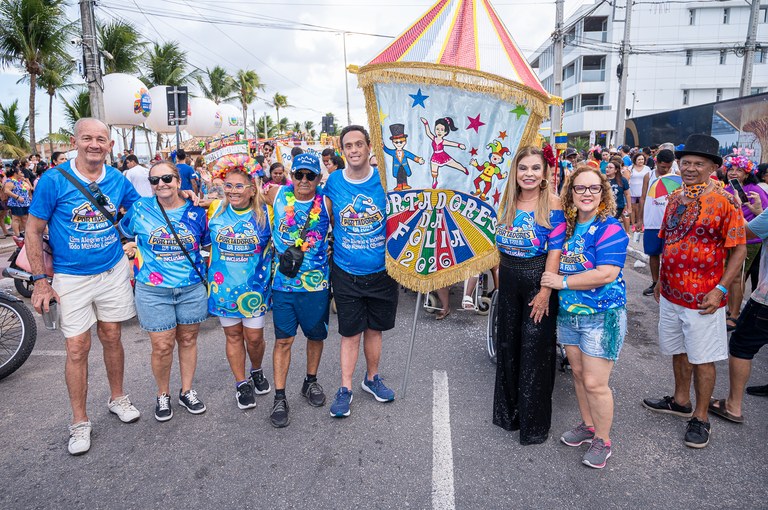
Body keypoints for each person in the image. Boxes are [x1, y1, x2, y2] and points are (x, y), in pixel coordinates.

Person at [27, 118, 142, 455]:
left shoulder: (118, 179)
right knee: (77, 348)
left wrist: (132, 239)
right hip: (70, 277)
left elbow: (137, 210)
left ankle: (118, 398)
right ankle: (79, 422)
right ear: (75, 141)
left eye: (101, 139)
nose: (95, 144)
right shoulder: (53, 180)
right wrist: (40, 282)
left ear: (110, 145)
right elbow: (33, 231)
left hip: (112, 272)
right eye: (88, 138)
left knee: (112, 336)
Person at [644, 134, 747, 449]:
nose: (689, 168)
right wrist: (661, 278)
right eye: (685, 162)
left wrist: (719, 289)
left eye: (698, 164)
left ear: (713, 167)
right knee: (679, 349)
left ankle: (700, 417)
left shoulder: (724, 201)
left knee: (703, 357)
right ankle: (680, 400)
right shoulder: (676, 197)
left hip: (705, 298)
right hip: (673, 292)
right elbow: (669, 241)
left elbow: (739, 251)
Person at [541, 165, 629, 469]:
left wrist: (562, 283)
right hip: (569, 316)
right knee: (578, 374)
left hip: (602, 316)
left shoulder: (611, 228)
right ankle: (588, 426)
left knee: (595, 382)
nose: (587, 194)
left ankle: (603, 441)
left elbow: (607, 273)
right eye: (580, 188)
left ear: (603, 193)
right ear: (571, 193)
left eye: (594, 188)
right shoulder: (565, 226)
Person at [120, 161, 210, 422]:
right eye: (155, 180)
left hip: (190, 287)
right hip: (153, 289)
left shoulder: (196, 211)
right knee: (161, 346)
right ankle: (162, 394)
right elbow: (122, 232)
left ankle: (187, 391)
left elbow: (207, 246)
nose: (161, 184)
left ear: (178, 181)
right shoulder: (140, 209)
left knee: (188, 340)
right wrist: (130, 247)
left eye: (167, 178)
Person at [492, 146, 565, 445]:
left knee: (535, 352)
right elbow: (496, 247)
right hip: (509, 278)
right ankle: (508, 415)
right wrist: (499, 282)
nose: (529, 174)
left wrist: (546, 291)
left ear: (544, 173)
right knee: (507, 346)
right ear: (515, 172)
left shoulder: (554, 204)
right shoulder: (505, 202)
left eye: (535, 168)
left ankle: (534, 426)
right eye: (523, 168)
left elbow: (556, 251)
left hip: (538, 279)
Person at [324, 125, 397, 417]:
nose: (354, 150)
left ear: (369, 147)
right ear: (343, 151)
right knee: (350, 333)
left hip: (382, 270)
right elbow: (322, 219)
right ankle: (345, 388)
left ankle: (371, 379)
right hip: (345, 270)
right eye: (348, 146)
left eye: (358, 144)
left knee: (375, 330)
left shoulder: (385, 180)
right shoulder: (333, 182)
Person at [268, 153, 331, 428]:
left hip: (316, 285)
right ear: (291, 175)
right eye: (299, 175)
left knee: (316, 336)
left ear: (318, 178)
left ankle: (310, 382)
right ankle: (279, 396)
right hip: (283, 284)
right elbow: (241, 199)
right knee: (283, 341)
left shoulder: (327, 202)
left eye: (310, 175)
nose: (304, 180)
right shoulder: (276, 194)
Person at [207, 155, 273, 410]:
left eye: (239, 186)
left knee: (254, 338)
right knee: (233, 336)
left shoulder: (265, 213)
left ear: (251, 189)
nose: (233, 191)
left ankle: (256, 369)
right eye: (229, 185)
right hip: (223, 288)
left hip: (255, 289)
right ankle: (241, 382)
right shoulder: (215, 210)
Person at [708, 207, 768, 423]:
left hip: (765, 300)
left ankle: (733, 405)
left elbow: (747, 232)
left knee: (742, 346)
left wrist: (736, 208)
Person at [722, 153, 768, 330]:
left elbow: (762, 214)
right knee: (728, 274)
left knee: (737, 277)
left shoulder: (755, 191)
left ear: (747, 173)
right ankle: (728, 310)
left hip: (749, 240)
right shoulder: (725, 189)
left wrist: (742, 208)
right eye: (731, 169)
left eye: (739, 170)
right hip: (728, 239)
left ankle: (734, 315)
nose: (733, 173)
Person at [637, 148, 676, 296]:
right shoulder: (649, 176)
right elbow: (642, 197)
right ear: (656, 162)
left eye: (668, 166)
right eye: (663, 167)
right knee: (653, 254)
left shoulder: (676, 177)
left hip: (670, 224)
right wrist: (640, 219)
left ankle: (667, 284)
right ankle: (655, 282)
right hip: (652, 222)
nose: (665, 169)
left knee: (669, 255)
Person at [419, 116, 468, 189]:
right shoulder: (433, 138)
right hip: (435, 156)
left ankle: (463, 169)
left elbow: (451, 143)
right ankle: (435, 181)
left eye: (442, 130)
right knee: (434, 170)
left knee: (454, 164)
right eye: (437, 129)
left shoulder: (443, 141)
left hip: (443, 155)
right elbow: (428, 133)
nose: (439, 131)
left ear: (445, 132)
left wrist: (459, 145)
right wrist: (426, 123)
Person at [626, 152, 651, 233]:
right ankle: (633, 224)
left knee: (642, 208)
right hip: (632, 191)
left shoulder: (647, 168)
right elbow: (627, 178)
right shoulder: (630, 168)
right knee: (632, 208)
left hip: (643, 192)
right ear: (635, 160)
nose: (641, 161)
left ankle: (641, 224)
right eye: (639, 159)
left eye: (642, 159)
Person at [4, 166, 32, 236]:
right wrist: (17, 197)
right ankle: (17, 235)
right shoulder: (10, 181)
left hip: (24, 203)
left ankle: (27, 233)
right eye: (20, 172)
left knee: (25, 218)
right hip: (16, 203)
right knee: (16, 219)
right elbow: (6, 191)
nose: (22, 173)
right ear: (15, 174)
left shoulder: (20, 181)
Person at [605, 156, 631, 233]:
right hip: (604, 206)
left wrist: (629, 207)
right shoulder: (603, 179)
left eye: (610, 168)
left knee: (611, 223)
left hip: (618, 206)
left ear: (616, 170)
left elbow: (627, 194)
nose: (607, 169)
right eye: (607, 167)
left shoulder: (622, 180)